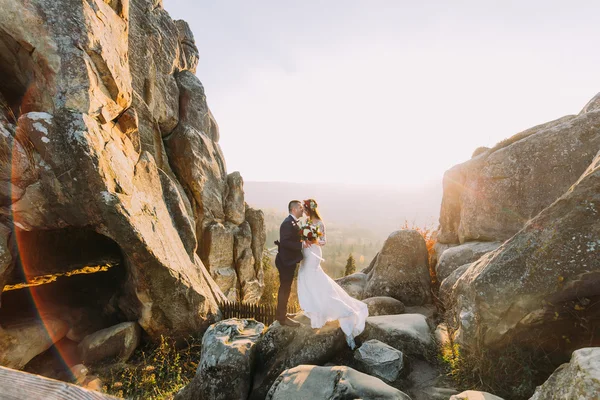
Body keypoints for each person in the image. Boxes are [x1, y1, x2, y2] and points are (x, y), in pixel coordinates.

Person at [296, 198, 369, 348]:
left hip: (314, 253)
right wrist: (303, 240)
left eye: (305, 208)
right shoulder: (306, 222)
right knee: (305, 277)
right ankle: (314, 310)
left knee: (312, 277)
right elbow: (302, 238)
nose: (303, 211)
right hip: (306, 252)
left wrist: (312, 240)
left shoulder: (319, 222)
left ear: (310, 209)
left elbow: (323, 241)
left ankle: (334, 309)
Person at [274, 200, 310, 327]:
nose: (302, 209)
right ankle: (282, 318)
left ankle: (282, 314)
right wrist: (301, 244)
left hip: (289, 260)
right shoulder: (287, 223)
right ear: (294, 209)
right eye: (300, 207)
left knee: (286, 288)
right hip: (285, 261)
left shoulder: (293, 222)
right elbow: (285, 242)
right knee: (284, 288)